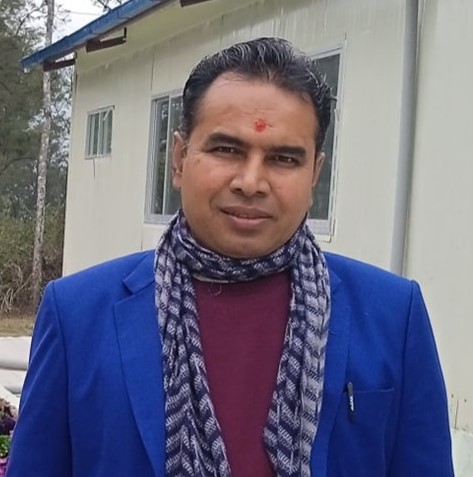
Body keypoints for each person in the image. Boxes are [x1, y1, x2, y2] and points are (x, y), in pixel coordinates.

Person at [7, 37, 453, 477]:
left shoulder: (392, 316)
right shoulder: (78, 316)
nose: (251, 182)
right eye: (226, 150)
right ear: (180, 159)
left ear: (315, 173)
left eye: (283, 159)